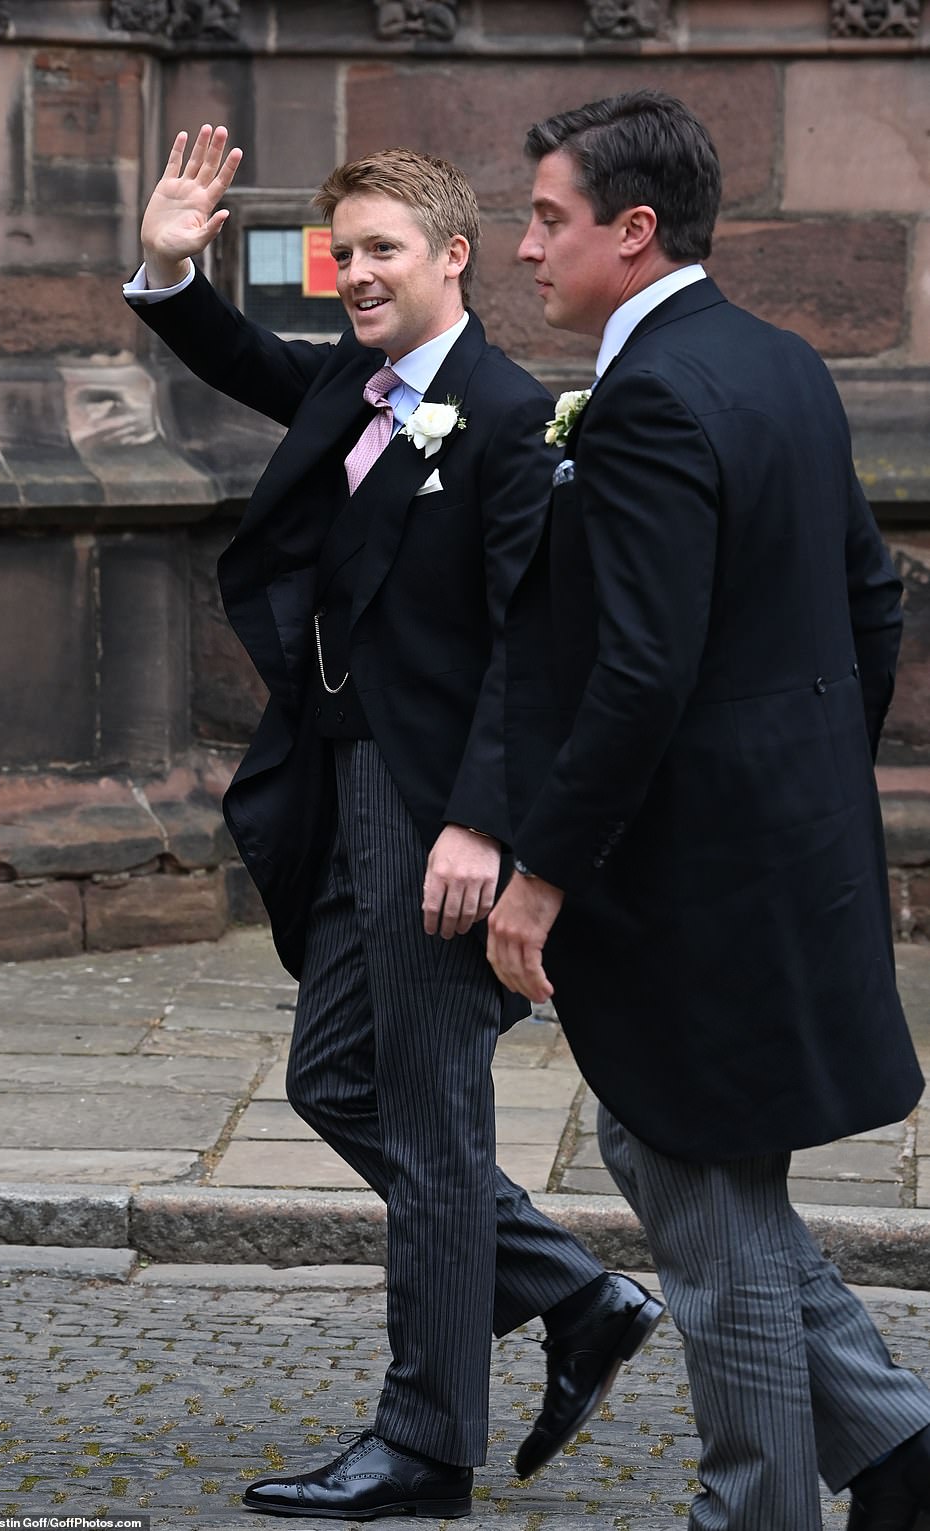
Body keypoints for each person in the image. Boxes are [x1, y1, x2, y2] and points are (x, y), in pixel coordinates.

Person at [124, 126, 663, 1520]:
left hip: (440, 819)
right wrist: (171, 271)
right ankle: (568, 1289)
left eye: (382, 251)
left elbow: (529, 653)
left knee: (428, 1131)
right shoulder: (354, 389)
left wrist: (482, 827)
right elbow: (241, 362)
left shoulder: (504, 418)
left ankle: (422, 1449)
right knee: (333, 1080)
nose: (355, 275)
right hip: (345, 789)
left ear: (453, 258)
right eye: (341, 252)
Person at [486, 89, 930, 1531]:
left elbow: (637, 668)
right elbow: (872, 593)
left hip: (699, 877)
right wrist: (801, 771)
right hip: (778, 850)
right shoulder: (780, 360)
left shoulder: (655, 395)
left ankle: (757, 1513)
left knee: (698, 1196)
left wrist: (541, 872)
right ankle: (894, 1442)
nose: (520, 248)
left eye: (546, 219)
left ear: (632, 228)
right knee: (673, 1153)